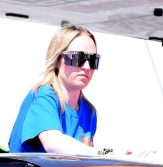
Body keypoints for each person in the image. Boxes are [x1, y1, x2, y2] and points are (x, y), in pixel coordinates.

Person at [9, 24, 101, 155]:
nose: (86, 66)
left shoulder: (89, 112)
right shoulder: (43, 95)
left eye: (93, 59)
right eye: (78, 58)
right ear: (58, 60)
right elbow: (54, 144)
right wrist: (105, 153)